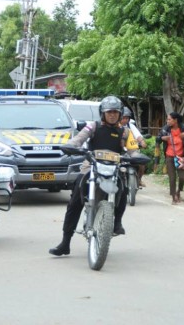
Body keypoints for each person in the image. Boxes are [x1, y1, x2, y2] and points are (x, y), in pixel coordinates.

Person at [49, 96, 130, 256]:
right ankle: (65, 242)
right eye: (109, 112)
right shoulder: (93, 126)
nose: (112, 115)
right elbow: (78, 139)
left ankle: (117, 223)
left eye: (115, 112)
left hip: (113, 168)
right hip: (91, 167)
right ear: (103, 113)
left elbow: (133, 149)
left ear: (120, 114)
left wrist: (136, 156)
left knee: (123, 189)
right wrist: (71, 146)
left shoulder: (124, 132)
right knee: (75, 200)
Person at [156, 112, 184, 204]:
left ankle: (179, 191)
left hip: (181, 157)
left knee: (182, 177)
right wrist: (162, 138)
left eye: (169, 119)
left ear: (175, 120)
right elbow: (158, 138)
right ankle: (173, 197)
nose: (167, 121)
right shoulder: (165, 129)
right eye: (167, 119)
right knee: (172, 178)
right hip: (169, 156)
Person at [121, 107, 148, 187]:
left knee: (141, 163)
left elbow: (138, 135)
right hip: (120, 150)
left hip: (132, 150)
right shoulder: (115, 126)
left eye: (127, 118)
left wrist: (142, 142)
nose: (125, 120)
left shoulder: (131, 126)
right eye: (123, 118)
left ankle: (139, 179)